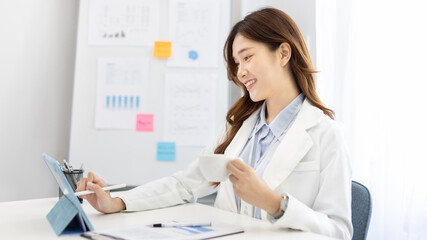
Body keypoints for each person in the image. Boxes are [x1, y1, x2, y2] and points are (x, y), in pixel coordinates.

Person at [77, 7, 352, 239]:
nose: (240, 71)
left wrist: (274, 204)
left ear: (283, 53)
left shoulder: (326, 134)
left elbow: (339, 231)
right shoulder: (239, 126)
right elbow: (185, 185)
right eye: (236, 62)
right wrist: (116, 202)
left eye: (247, 57)